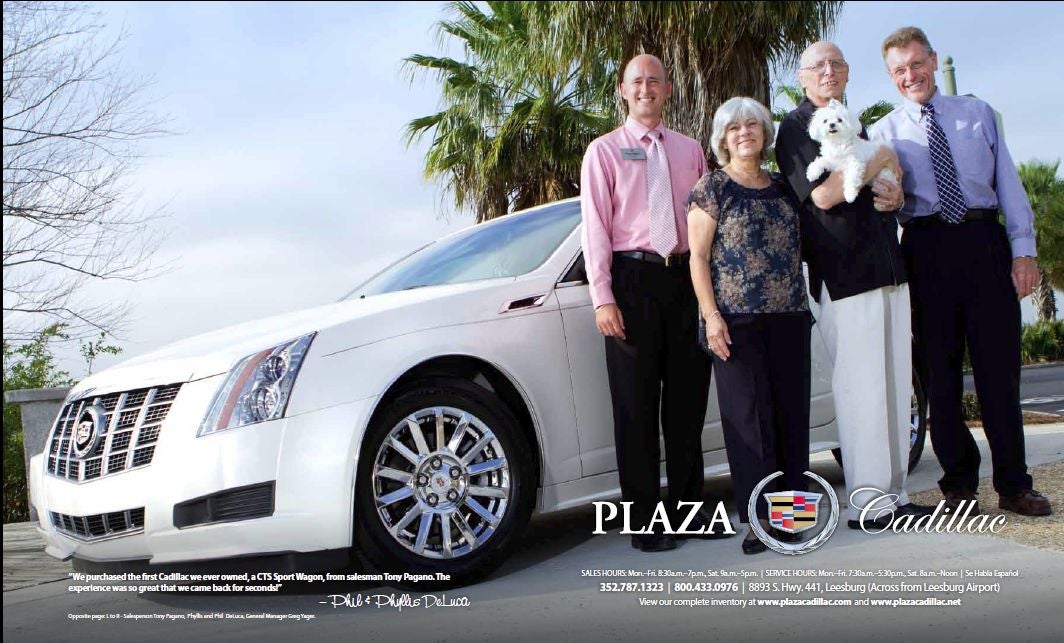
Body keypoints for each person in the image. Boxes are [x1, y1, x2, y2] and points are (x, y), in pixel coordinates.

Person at [870, 27, 1051, 517]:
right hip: (924, 248)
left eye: (917, 63)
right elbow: (883, 202)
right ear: (891, 77)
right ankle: (958, 487)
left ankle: (1014, 485)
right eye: (899, 70)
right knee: (940, 376)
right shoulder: (884, 134)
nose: (911, 75)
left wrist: (1024, 251)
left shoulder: (978, 113)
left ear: (933, 60)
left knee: (999, 373)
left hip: (983, 241)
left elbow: (1008, 183)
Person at [775, 41, 933, 530]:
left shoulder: (854, 121)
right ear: (802, 77)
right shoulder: (795, 128)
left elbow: (881, 183)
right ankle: (868, 503)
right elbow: (823, 195)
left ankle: (895, 495)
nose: (829, 71)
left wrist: (894, 189)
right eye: (819, 65)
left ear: (847, 74)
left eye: (837, 64)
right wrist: (879, 156)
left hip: (890, 269)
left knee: (895, 387)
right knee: (862, 390)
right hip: (845, 277)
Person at [581, 54, 732, 552]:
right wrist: (603, 297)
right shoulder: (603, 151)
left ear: (668, 89)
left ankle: (689, 511)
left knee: (688, 404)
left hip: (685, 280)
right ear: (622, 91)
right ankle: (645, 522)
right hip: (632, 281)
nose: (645, 88)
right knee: (635, 407)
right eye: (636, 81)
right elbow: (595, 228)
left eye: (654, 81)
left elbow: (707, 223)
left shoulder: (690, 150)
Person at [688, 97, 812, 554]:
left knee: (790, 419)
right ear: (723, 138)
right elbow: (698, 258)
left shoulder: (783, 187)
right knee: (750, 424)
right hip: (735, 321)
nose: (744, 132)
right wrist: (711, 317)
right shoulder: (712, 187)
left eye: (752, 125)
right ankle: (761, 524)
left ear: (764, 132)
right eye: (734, 127)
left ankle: (792, 520)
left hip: (790, 316)